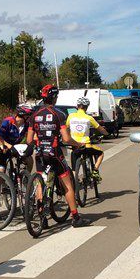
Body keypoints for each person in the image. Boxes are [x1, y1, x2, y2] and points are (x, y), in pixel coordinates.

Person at [27, 85, 89, 228]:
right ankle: (75, 217)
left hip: (40, 153)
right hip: (54, 153)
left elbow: (29, 140)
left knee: (40, 182)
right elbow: (66, 139)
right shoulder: (59, 114)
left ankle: (42, 216)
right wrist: (78, 144)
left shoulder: (34, 116)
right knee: (67, 184)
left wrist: (41, 140)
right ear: (54, 98)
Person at [67, 97, 108, 181]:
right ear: (86, 107)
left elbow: (66, 128)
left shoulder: (70, 116)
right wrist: (106, 133)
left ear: (77, 106)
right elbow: (100, 128)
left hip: (75, 146)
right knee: (100, 153)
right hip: (86, 146)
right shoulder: (89, 118)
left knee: (74, 167)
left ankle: (76, 179)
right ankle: (95, 171)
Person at [0, 104, 34, 172]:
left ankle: (27, 179)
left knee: (29, 160)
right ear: (23, 115)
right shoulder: (8, 121)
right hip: (3, 148)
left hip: (14, 148)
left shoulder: (26, 125)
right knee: (1, 170)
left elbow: (31, 137)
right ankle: (0, 180)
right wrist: (10, 147)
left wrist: (30, 146)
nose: (30, 117)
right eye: (29, 115)